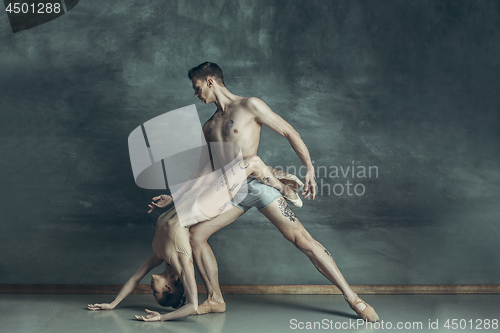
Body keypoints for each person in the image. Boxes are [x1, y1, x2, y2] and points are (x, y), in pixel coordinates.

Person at [186, 62, 379, 322]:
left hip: (259, 184)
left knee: (302, 240)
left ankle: (353, 298)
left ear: (210, 82)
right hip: (233, 190)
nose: (196, 95)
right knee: (196, 235)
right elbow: (204, 169)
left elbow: (288, 131)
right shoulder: (208, 127)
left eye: (197, 88)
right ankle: (215, 298)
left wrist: (309, 167)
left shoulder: (249, 106)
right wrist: (176, 196)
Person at [87, 152, 302, 321]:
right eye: (156, 294)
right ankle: (282, 187)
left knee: (222, 158)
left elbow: (134, 279)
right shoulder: (182, 262)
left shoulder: (159, 254)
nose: (150, 290)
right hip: (204, 205)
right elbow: (192, 306)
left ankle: (268, 176)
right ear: (168, 288)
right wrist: (162, 318)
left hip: (191, 199)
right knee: (251, 162)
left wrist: (113, 303)